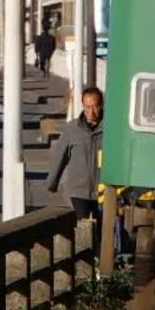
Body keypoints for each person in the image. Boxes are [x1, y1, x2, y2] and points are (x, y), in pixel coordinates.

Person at [46, 86, 104, 227]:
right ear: (82, 106)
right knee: (82, 228)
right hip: (78, 189)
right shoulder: (72, 129)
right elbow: (60, 156)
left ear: (101, 105)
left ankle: (98, 249)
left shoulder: (110, 129)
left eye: (95, 107)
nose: (91, 112)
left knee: (102, 230)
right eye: (87, 107)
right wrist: (52, 182)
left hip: (103, 190)